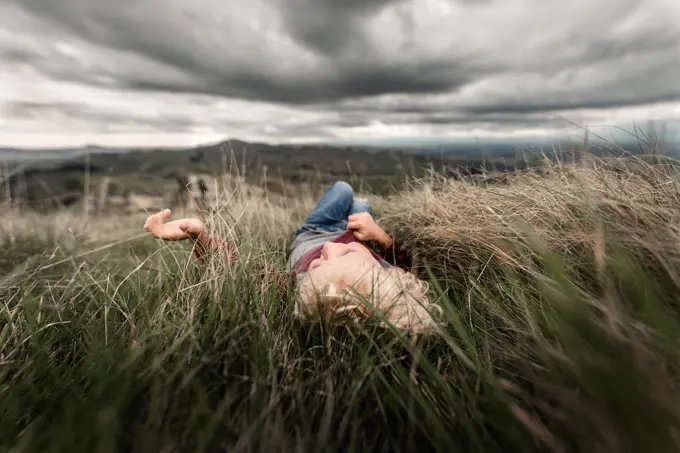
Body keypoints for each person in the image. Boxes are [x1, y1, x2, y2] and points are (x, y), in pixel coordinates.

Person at [143, 181, 440, 335]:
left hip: (314, 231)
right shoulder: (390, 273)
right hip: (359, 230)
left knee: (344, 190)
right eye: (346, 254)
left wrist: (200, 237)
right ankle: (360, 207)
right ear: (388, 273)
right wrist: (380, 236)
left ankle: (355, 202)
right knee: (359, 205)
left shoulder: (305, 291)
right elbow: (405, 262)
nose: (327, 251)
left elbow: (242, 271)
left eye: (317, 268)